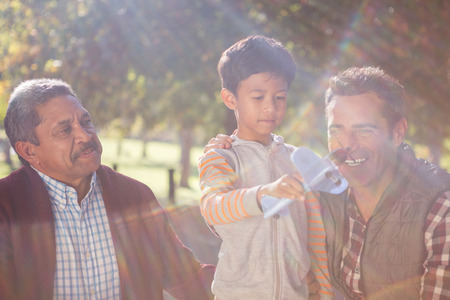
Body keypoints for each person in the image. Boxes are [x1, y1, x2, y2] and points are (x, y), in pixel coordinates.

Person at [208, 66, 450, 299]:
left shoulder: (440, 209)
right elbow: (246, 224)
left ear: (397, 133)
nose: (347, 144)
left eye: (364, 130)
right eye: (336, 130)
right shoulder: (323, 195)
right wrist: (231, 155)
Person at [0, 78, 215, 300]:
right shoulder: (5, 207)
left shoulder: (135, 196)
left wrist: (246, 279)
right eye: (65, 130)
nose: (85, 135)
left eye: (86, 121)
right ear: (28, 151)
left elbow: (187, 278)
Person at [198, 35, 332, 299]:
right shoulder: (221, 157)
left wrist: (324, 292)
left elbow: (315, 234)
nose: (271, 107)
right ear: (230, 98)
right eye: (258, 97)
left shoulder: (298, 161)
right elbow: (213, 208)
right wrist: (263, 195)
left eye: (280, 97)